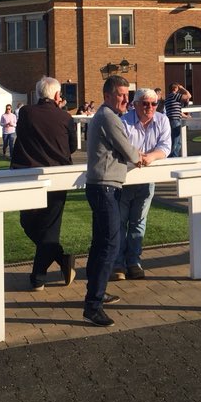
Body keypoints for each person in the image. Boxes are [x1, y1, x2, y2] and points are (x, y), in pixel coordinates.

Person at [82, 75, 147, 327]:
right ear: (107, 95)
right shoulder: (108, 117)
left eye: (126, 94)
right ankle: (93, 305)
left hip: (103, 187)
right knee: (109, 245)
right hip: (104, 188)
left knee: (101, 244)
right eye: (121, 95)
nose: (125, 99)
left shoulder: (106, 116)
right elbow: (129, 151)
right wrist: (139, 156)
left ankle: (95, 293)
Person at [12, 77, 78, 291]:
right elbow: (73, 147)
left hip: (28, 176)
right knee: (47, 227)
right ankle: (61, 259)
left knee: (30, 223)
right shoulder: (66, 117)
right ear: (58, 96)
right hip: (58, 177)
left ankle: (38, 277)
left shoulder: (25, 113)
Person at [112, 87, 171, 282]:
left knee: (138, 222)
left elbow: (165, 146)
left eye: (153, 104)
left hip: (147, 179)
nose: (150, 107)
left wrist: (151, 157)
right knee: (120, 222)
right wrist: (135, 156)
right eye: (145, 103)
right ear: (135, 104)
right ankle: (118, 263)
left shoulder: (162, 120)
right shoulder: (124, 121)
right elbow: (119, 147)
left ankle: (133, 261)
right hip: (124, 179)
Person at [163, 82, 191, 157]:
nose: (179, 90)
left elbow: (176, 110)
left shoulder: (168, 97)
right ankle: (171, 157)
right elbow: (189, 95)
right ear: (175, 88)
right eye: (178, 89)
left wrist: (186, 116)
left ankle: (174, 156)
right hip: (175, 120)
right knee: (175, 141)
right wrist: (182, 88)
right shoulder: (174, 95)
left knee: (178, 142)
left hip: (172, 119)